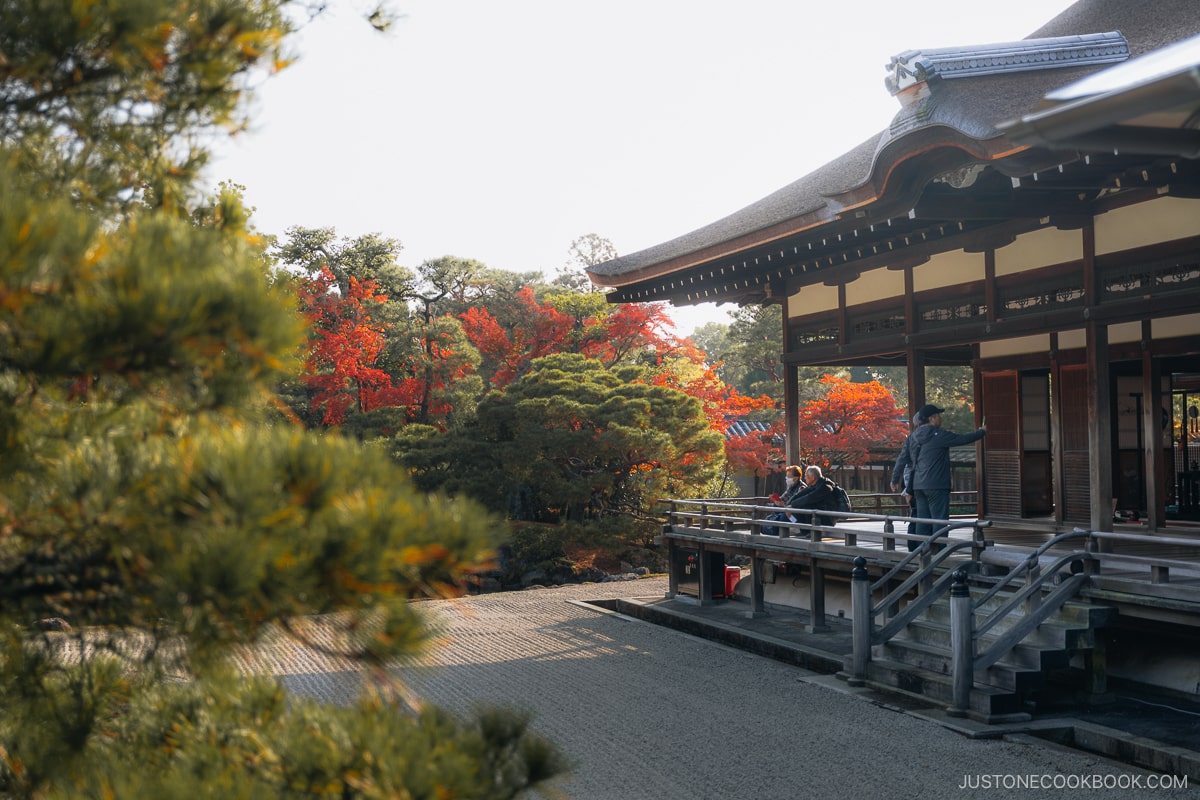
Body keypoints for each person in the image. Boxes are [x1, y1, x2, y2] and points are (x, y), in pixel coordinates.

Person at [908, 404, 986, 549]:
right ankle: (940, 552)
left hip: (918, 485)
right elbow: (962, 439)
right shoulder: (938, 435)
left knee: (922, 521)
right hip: (936, 484)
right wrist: (981, 432)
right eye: (938, 415)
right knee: (940, 521)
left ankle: (921, 552)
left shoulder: (913, 437)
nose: (940, 418)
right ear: (932, 419)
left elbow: (906, 458)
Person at [891, 412, 927, 551]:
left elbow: (901, 460)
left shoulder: (913, 438)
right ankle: (915, 546)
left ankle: (915, 546)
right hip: (913, 481)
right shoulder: (914, 438)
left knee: (917, 514)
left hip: (914, 480)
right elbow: (903, 461)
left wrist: (895, 479)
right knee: (917, 513)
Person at [759, 465, 805, 535]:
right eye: (786, 476)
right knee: (771, 514)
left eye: (789, 477)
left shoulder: (801, 488)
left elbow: (796, 504)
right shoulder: (790, 488)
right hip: (786, 511)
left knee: (783, 517)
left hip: (796, 515)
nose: (787, 479)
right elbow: (782, 498)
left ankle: (782, 532)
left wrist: (783, 505)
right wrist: (776, 500)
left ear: (796, 478)